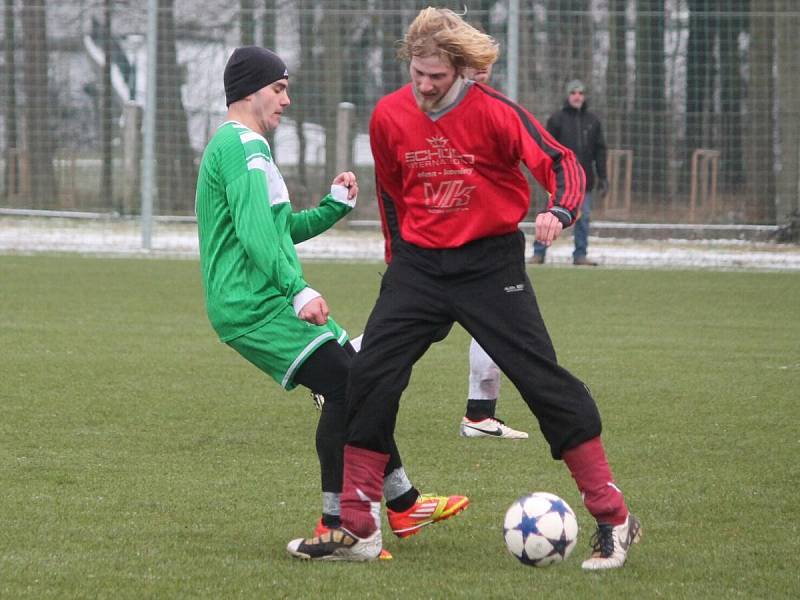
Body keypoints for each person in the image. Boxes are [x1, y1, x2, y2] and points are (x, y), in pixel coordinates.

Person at [287, 9, 640, 569]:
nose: (425, 86)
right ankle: (357, 527)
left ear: (466, 71)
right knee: (367, 377)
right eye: (418, 74)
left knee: (543, 383)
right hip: (418, 269)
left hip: (488, 267)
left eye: (438, 77)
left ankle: (613, 516)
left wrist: (562, 209)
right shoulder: (388, 116)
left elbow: (560, 161)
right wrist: (398, 266)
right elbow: (393, 199)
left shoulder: (497, 113)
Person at [195, 46, 467, 560]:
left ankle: (401, 502)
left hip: (261, 296)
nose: (286, 99)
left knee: (359, 378)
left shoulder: (245, 146)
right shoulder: (243, 147)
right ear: (250, 91)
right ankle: (340, 522)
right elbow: (256, 237)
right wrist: (297, 289)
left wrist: (330, 208)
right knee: (349, 387)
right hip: (253, 305)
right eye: (279, 88)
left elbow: (276, 231)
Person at [455, 62, 528, 441]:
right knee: (407, 332)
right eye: (473, 67)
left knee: (494, 326)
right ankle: (338, 367)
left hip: (486, 245)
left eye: (487, 68)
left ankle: (480, 415)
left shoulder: (496, 112)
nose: (482, 75)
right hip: (450, 248)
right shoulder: (443, 115)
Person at [532, 79, 608, 266]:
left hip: (584, 181)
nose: (577, 96)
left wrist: (603, 177)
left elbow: (600, 151)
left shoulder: (593, 121)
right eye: (574, 93)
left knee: (584, 218)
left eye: (580, 93)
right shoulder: (556, 119)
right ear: (568, 95)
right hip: (558, 180)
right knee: (549, 216)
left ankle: (580, 254)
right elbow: (546, 150)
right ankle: (539, 252)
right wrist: (547, 176)